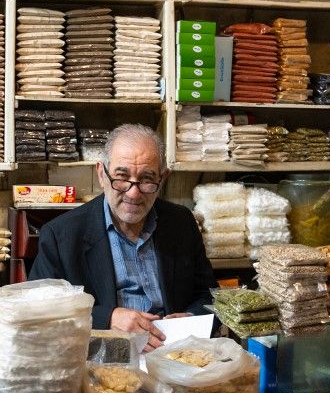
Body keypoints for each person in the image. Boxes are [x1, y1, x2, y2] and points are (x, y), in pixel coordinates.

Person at [29, 123, 216, 351]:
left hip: (173, 356)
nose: (133, 193)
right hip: (101, 357)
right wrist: (106, 319)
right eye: (121, 177)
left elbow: (208, 295)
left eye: (147, 179)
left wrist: (190, 318)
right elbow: (38, 311)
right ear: (101, 173)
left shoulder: (181, 222)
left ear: (162, 179)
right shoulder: (61, 235)